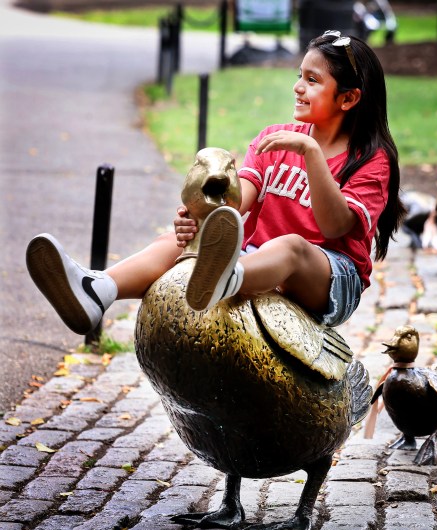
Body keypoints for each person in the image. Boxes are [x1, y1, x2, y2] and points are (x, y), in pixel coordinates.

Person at [26, 30, 405, 335]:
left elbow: (334, 225)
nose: (298, 87)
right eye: (299, 76)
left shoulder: (371, 159)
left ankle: (224, 277)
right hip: (255, 258)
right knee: (181, 240)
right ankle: (98, 290)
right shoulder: (274, 137)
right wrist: (201, 217)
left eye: (312, 80)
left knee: (291, 246)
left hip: (331, 278)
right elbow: (236, 203)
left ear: (349, 98)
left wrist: (310, 153)